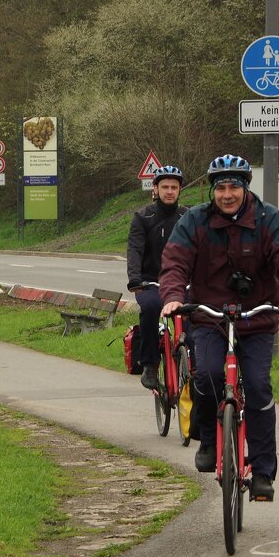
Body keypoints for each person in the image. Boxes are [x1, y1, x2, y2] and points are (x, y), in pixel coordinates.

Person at [159, 154, 279, 502]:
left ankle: (264, 473)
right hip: (210, 317)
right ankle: (209, 440)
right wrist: (174, 297)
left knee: (256, 387)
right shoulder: (194, 221)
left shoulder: (271, 220)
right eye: (220, 188)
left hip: (257, 318)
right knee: (207, 377)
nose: (227, 194)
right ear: (212, 190)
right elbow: (175, 262)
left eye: (234, 187)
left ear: (245, 188)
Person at [126, 165, 187, 390]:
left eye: (174, 187)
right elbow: (135, 250)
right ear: (156, 188)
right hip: (151, 282)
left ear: (180, 190)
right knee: (151, 308)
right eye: (165, 187)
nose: (169, 191)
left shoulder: (187, 216)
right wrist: (135, 279)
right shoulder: (143, 217)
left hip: (182, 282)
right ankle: (151, 364)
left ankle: (193, 361)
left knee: (195, 314)